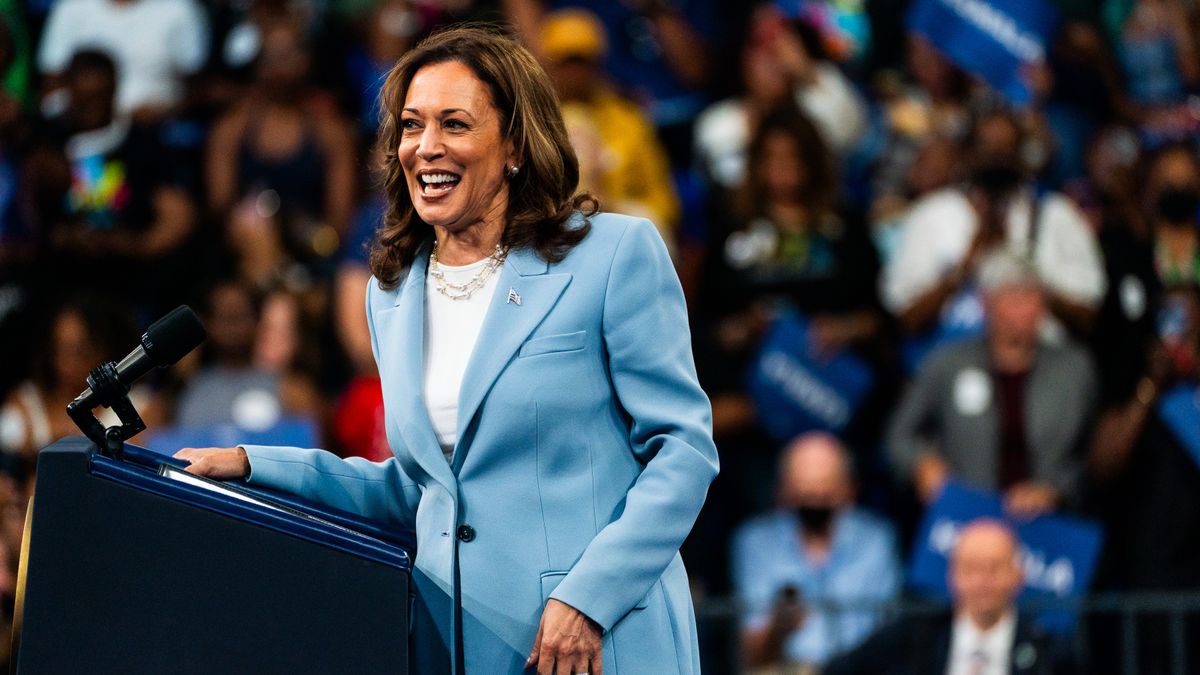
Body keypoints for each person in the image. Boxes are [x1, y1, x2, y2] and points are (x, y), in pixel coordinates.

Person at [175, 24, 719, 675]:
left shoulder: (613, 254)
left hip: (595, 643)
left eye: (454, 124)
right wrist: (250, 463)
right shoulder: (393, 292)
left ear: (514, 144)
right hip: (453, 645)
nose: (425, 148)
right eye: (411, 125)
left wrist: (588, 598)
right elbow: (426, 492)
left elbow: (682, 450)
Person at [886, 250, 1097, 517]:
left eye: (1031, 296)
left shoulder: (1075, 369)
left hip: (1045, 524)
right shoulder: (946, 362)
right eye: (1010, 297)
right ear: (985, 304)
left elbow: (1091, 458)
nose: (1022, 308)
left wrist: (1055, 489)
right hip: (965, 514)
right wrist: (922, 463)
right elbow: (900, 436)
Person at [731, 433, 900, 672]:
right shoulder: (756, 541)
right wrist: (779, 627)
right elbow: (753, 656)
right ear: (783, 492)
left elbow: (890, 635)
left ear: (848, 490)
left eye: (825, 491)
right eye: (804, 493)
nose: (814, 502)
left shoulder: (877, 539)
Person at [825, 519, 1076, 675]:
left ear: (1019, 576)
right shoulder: (916, 634)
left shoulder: (1050, 649)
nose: (982, 581)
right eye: (971, 569)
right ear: (951, 576)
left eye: (995, 568)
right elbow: (840, 669)